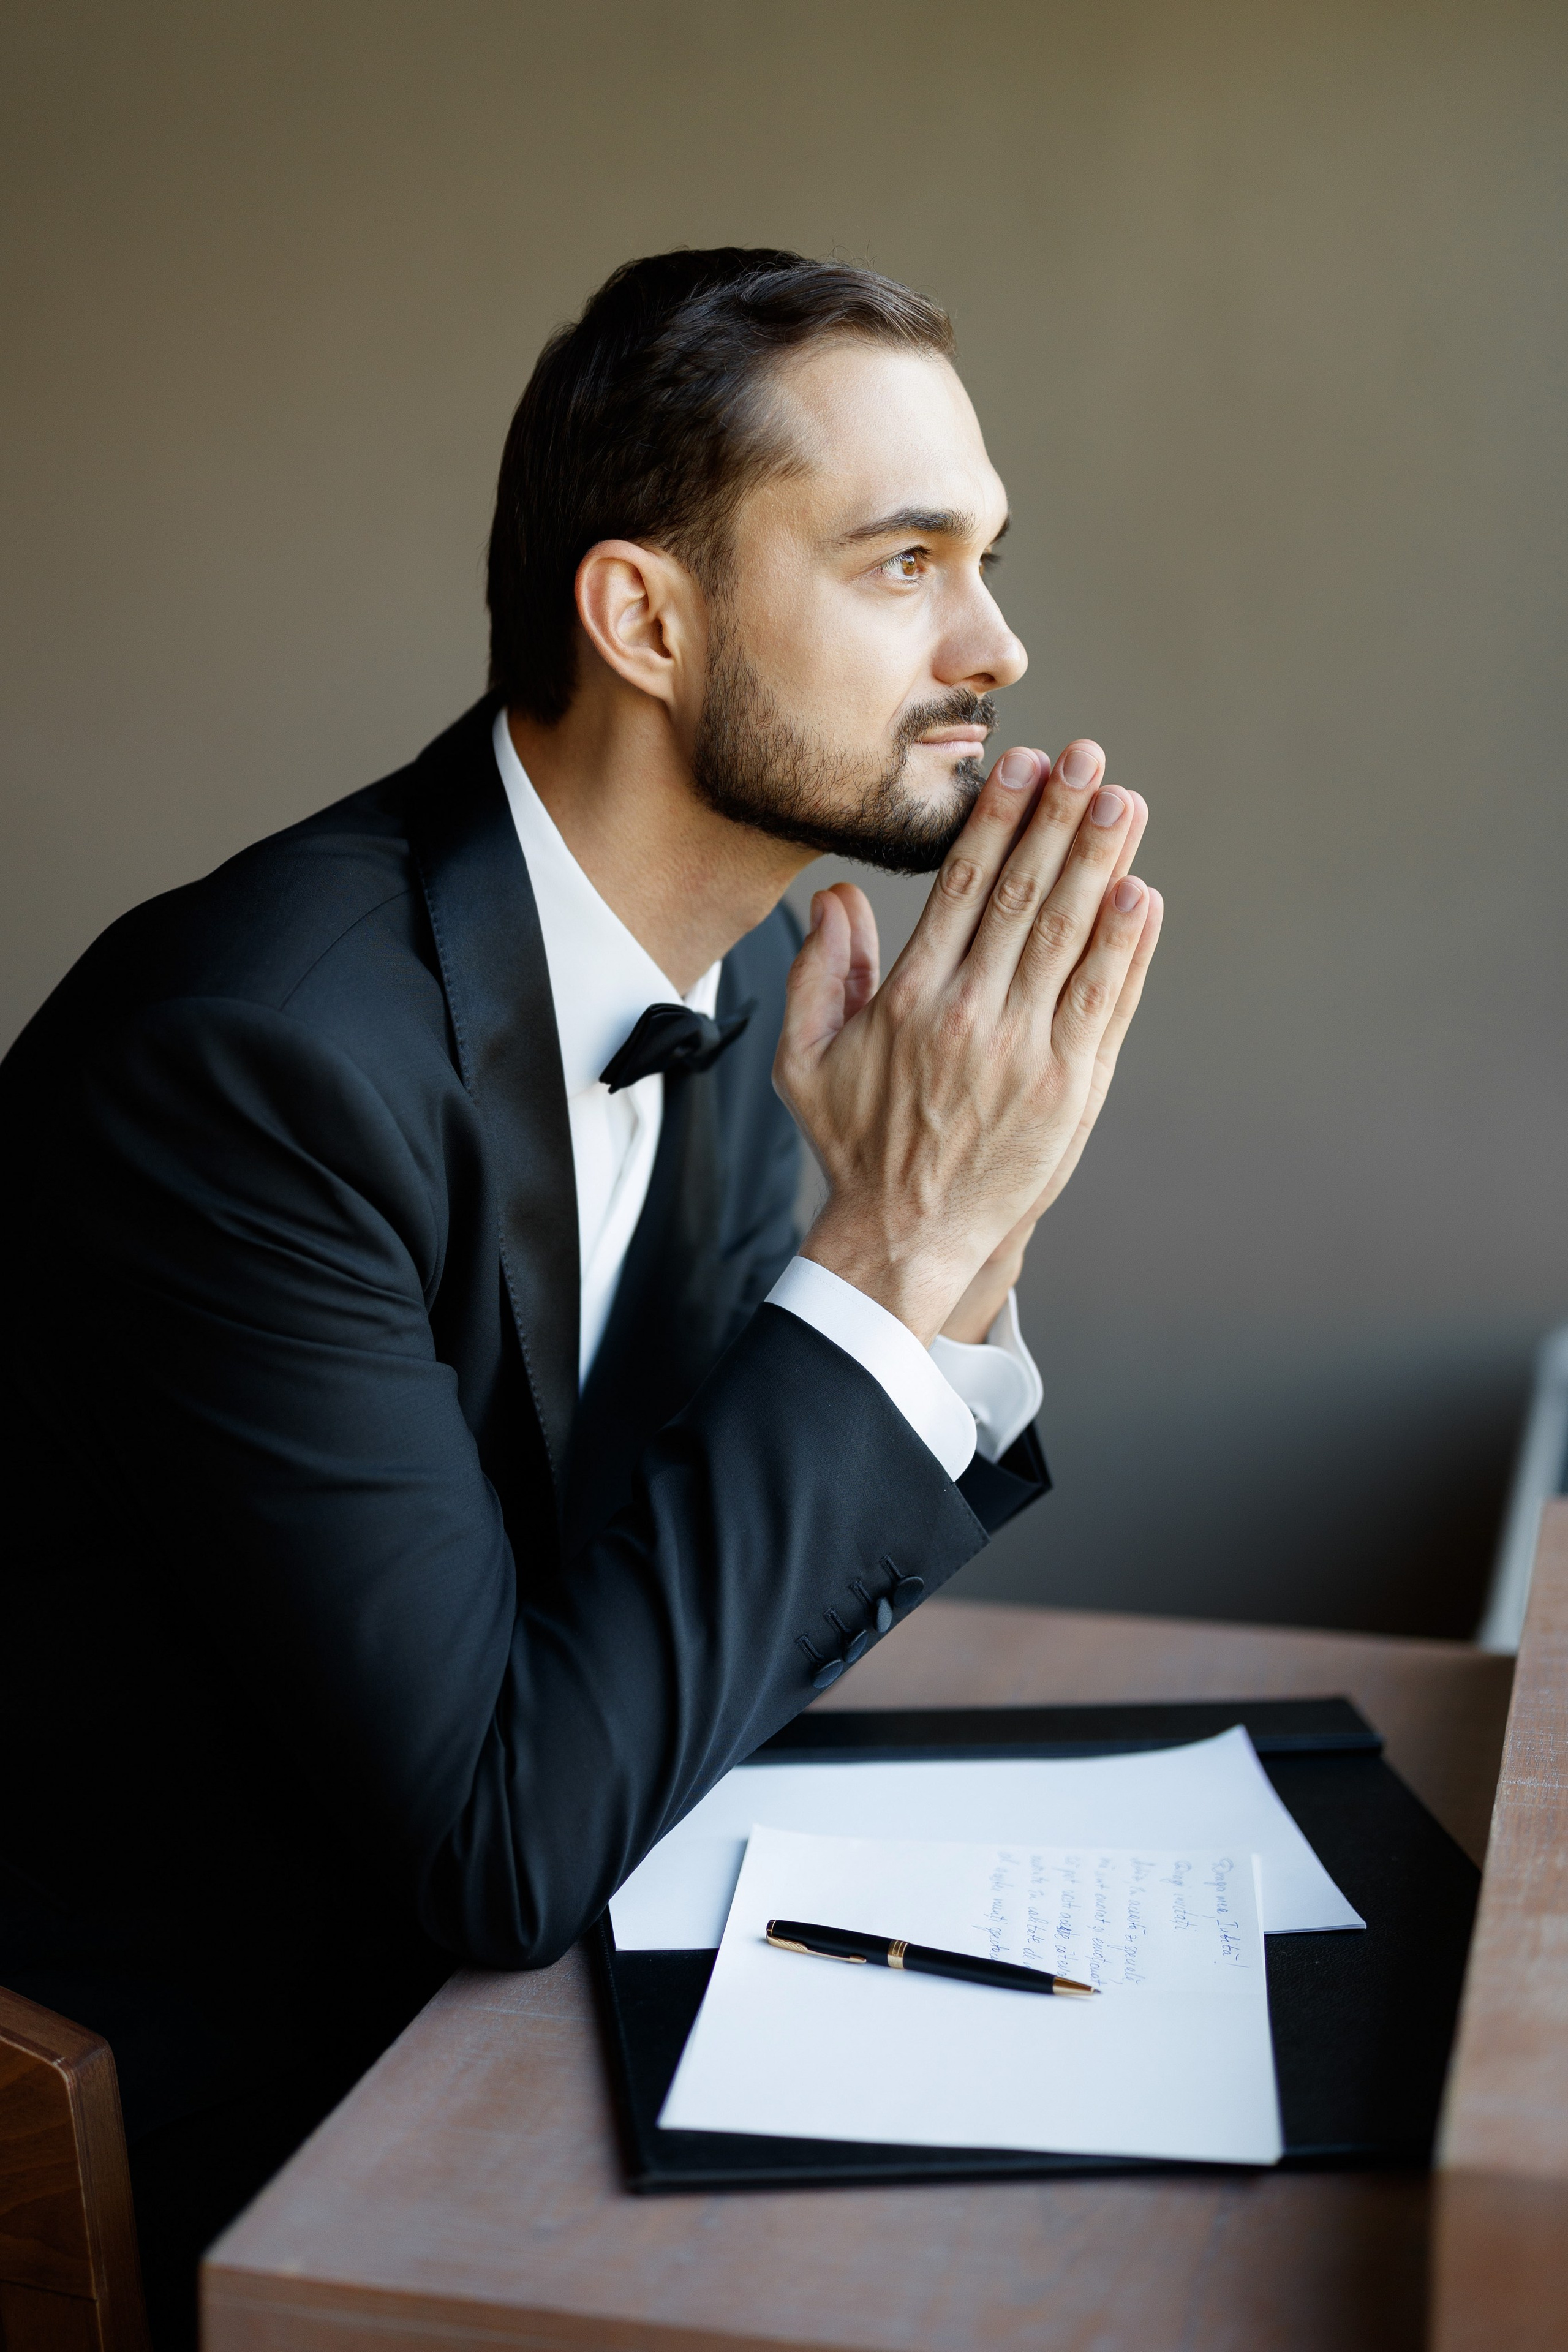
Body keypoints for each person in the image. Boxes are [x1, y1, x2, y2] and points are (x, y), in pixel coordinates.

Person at [0, 247, 1161, 2342]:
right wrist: (884, 1248)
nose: (995, 641)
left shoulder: (712, 980)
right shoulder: (250, 1063)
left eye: (983, 559)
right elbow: (499, 1840)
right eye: (907, 562)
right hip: (190, 2120)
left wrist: (957, 1236)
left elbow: (670, 1631)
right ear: (643, 615)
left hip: (512, 2014)